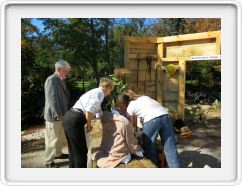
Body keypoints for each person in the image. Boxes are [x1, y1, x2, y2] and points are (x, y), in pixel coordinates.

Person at [63, 78, 114, 168]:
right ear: (108, 87)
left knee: (73, 150)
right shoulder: (100, 93)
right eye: (111, 90)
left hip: (68, 117)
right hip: (75, 119)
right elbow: (89, 110)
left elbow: (98, 112)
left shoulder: (94, 92)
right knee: (81, 151)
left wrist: (109, 118)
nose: (110, 93)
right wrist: (89, 125)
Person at [125, 90, 181, 168]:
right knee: (170, 146)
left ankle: (154, 167)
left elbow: (130, 124)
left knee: (149, 146)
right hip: (166, 116)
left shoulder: (130, 106)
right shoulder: (145, 97)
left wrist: (133, 132)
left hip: (152, 119)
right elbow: (158, 104)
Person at [44, 60, 71, 168]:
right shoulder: (51, 80)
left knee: (60, 137)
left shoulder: (61, 80)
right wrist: (58, 114)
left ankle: (58, 154)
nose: (67, 73)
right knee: (52, 139)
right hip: (54, 116)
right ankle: (49, 161)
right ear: (59, 69)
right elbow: (52, 100)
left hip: (62, 115)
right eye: (65, 71)